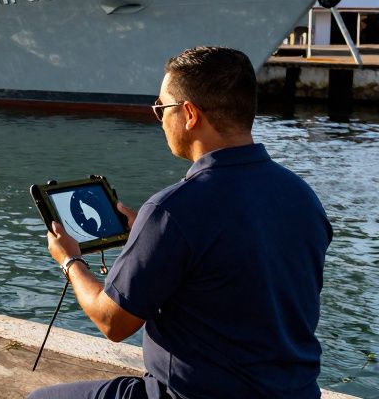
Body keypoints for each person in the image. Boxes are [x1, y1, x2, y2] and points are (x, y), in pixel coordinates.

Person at [30, 47, 331, 399]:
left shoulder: (172, 211)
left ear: (188, 114)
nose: (159, 119)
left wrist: (70, 260)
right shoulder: (303, 196)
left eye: (161, 108)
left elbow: (111, 321)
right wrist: (149, 237)